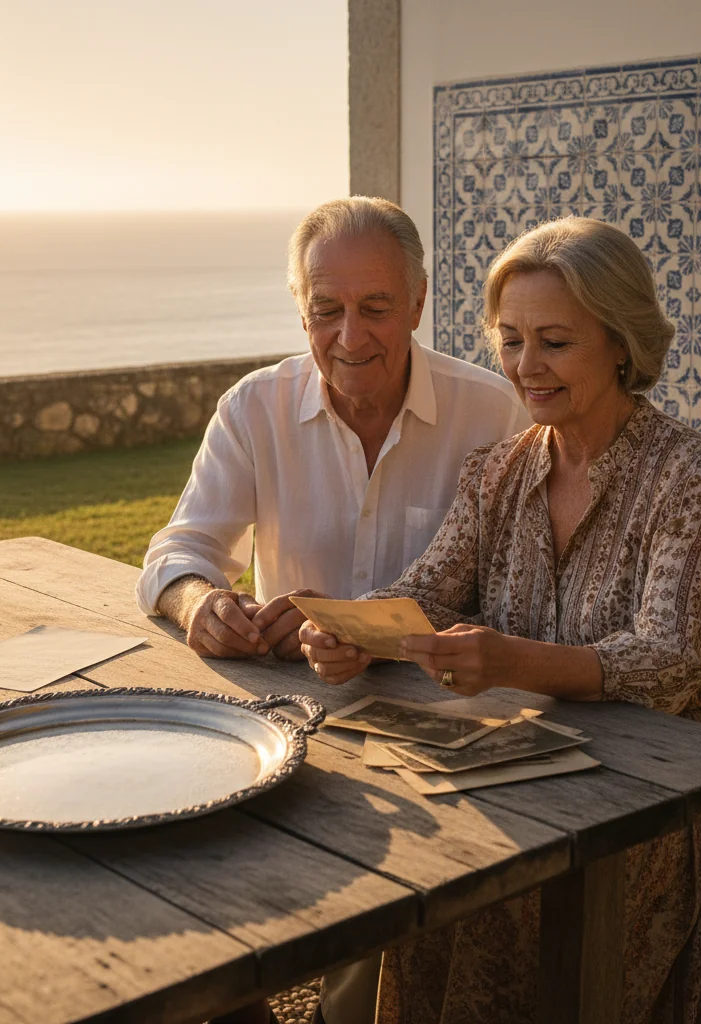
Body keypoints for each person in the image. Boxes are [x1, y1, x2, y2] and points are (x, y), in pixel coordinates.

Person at [300, 216, 701, 1024]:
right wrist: (357, 636)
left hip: (688, 783)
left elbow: (672, 657)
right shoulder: (499, 470)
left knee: (507, 897)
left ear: (621, 344)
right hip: (542, 761)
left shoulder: (694, 476)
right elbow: (428, 593)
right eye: (512, 339)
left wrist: (510, 661)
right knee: (439, 874)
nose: (526, 367)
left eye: (555, 341)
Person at [136, 196, 528, 1024]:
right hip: (288, 723)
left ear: (419, 302)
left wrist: (380, 637)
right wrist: (198, 602)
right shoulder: (256, 407)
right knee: (175, 878)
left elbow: (516, 596)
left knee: (399, 904)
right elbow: (176, 552)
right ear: (300, 308)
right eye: (327, 310)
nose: (350, 337)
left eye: (376, 309)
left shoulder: (491, 412)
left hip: (435, 738)